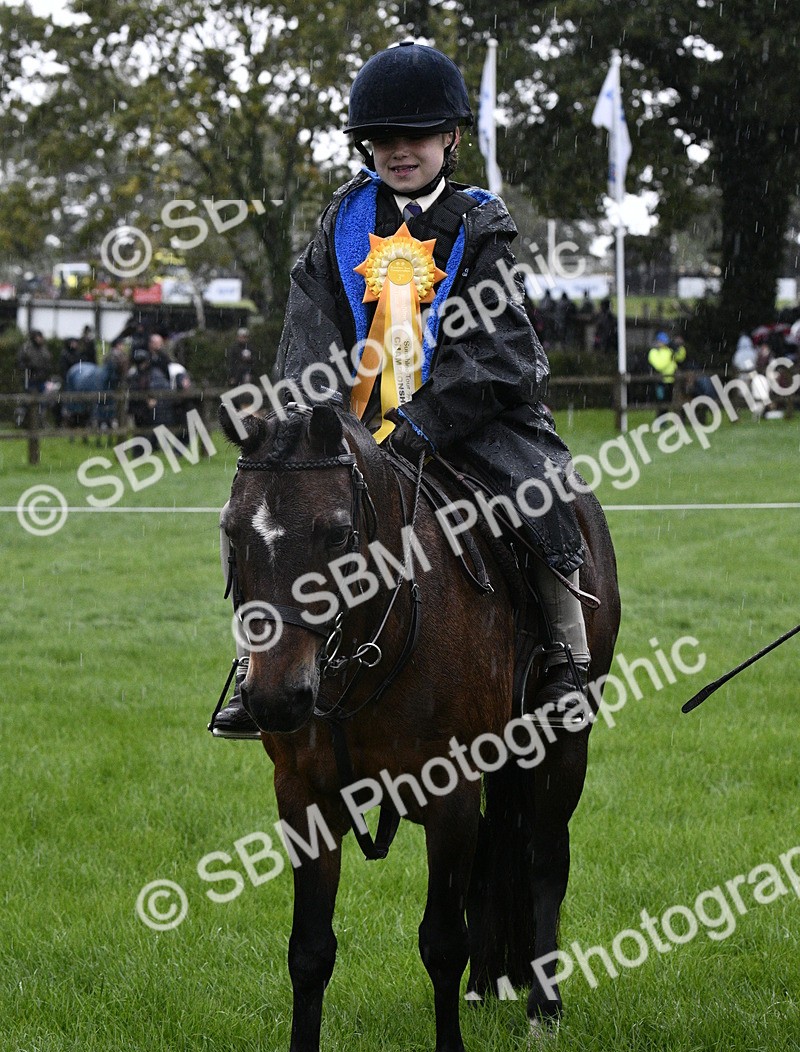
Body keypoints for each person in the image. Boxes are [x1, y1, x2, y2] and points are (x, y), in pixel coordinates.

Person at [212, 40, 592, 738]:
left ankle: (568, 650)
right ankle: (250, 666)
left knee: (541, 486)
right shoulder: (340, 225)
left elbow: (499, 352)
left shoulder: (480, 227)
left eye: (416, 136)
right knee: (256, 508)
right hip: (347, 423)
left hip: (466, 420)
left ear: (450, 138)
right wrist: (314, 415)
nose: (399, 150)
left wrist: (423, 420)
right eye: (382, 138)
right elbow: (310, 329)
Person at [647, 330, 686, 412]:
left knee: (677, 402)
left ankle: (679, 419)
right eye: (662, 341)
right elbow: (659, 366)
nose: (664, 344)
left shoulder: (669, 350)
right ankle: (662, 422)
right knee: (662, 403)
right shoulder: (653, 352)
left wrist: (679, 348)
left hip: (673, 381)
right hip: (660, 381)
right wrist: (670, 354)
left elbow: (681, 357)